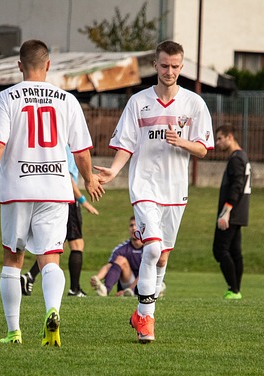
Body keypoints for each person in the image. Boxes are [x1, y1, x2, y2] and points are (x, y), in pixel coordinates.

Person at [0, 39, 103, 347]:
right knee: (50, 259)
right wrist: (88, 179)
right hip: (55, 189)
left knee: (12, 258)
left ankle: (13, 330)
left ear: (19, 65)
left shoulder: (7, 98)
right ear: (48, 65)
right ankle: (52, 312)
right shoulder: (67, 100)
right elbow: (81, 150)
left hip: (18, 188)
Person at [95, 40, 214, 343]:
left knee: (162, 259)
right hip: (144, 187)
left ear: (181, 67)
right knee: (151, 249)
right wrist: (115, 170)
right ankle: (147, 320)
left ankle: (141, 311)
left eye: (175, 67)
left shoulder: (194, 104)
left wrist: (181, 142)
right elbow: (126, 143)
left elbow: (202, 149)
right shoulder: (138, 102)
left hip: (175, 191)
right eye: (164, 66)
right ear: (155, 65)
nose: (169, 71)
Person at [20, 146, 99, 298]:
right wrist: (83, 201)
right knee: (76, 244)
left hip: (51, 195)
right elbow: (67, 177)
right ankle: (74, 289)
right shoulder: (66, 145)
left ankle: (29, 276)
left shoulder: (53, 144)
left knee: (56, 245)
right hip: (66, 198)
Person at [212, 124, 251, 300]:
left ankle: (233, 289)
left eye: (220, 138)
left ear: (230, 137)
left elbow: (237, 186)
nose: (217, 142)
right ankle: (236, 291)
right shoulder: (242, 156)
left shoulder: (236, 158)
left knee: (220, 250)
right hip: (239, 212)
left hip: (232, 212)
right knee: (235, 251)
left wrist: (226, 210)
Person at [89, 216, 144, 297]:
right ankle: (105, 290)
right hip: (128, 281)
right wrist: (97, 278)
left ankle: (131, 291)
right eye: (131, 225)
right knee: (120, 260)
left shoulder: (149, 247)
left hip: (145, 282)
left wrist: (130, 289)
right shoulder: (121, 248)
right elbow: (109, 266)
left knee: (147, 270)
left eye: (136, 225)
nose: (133, 228)